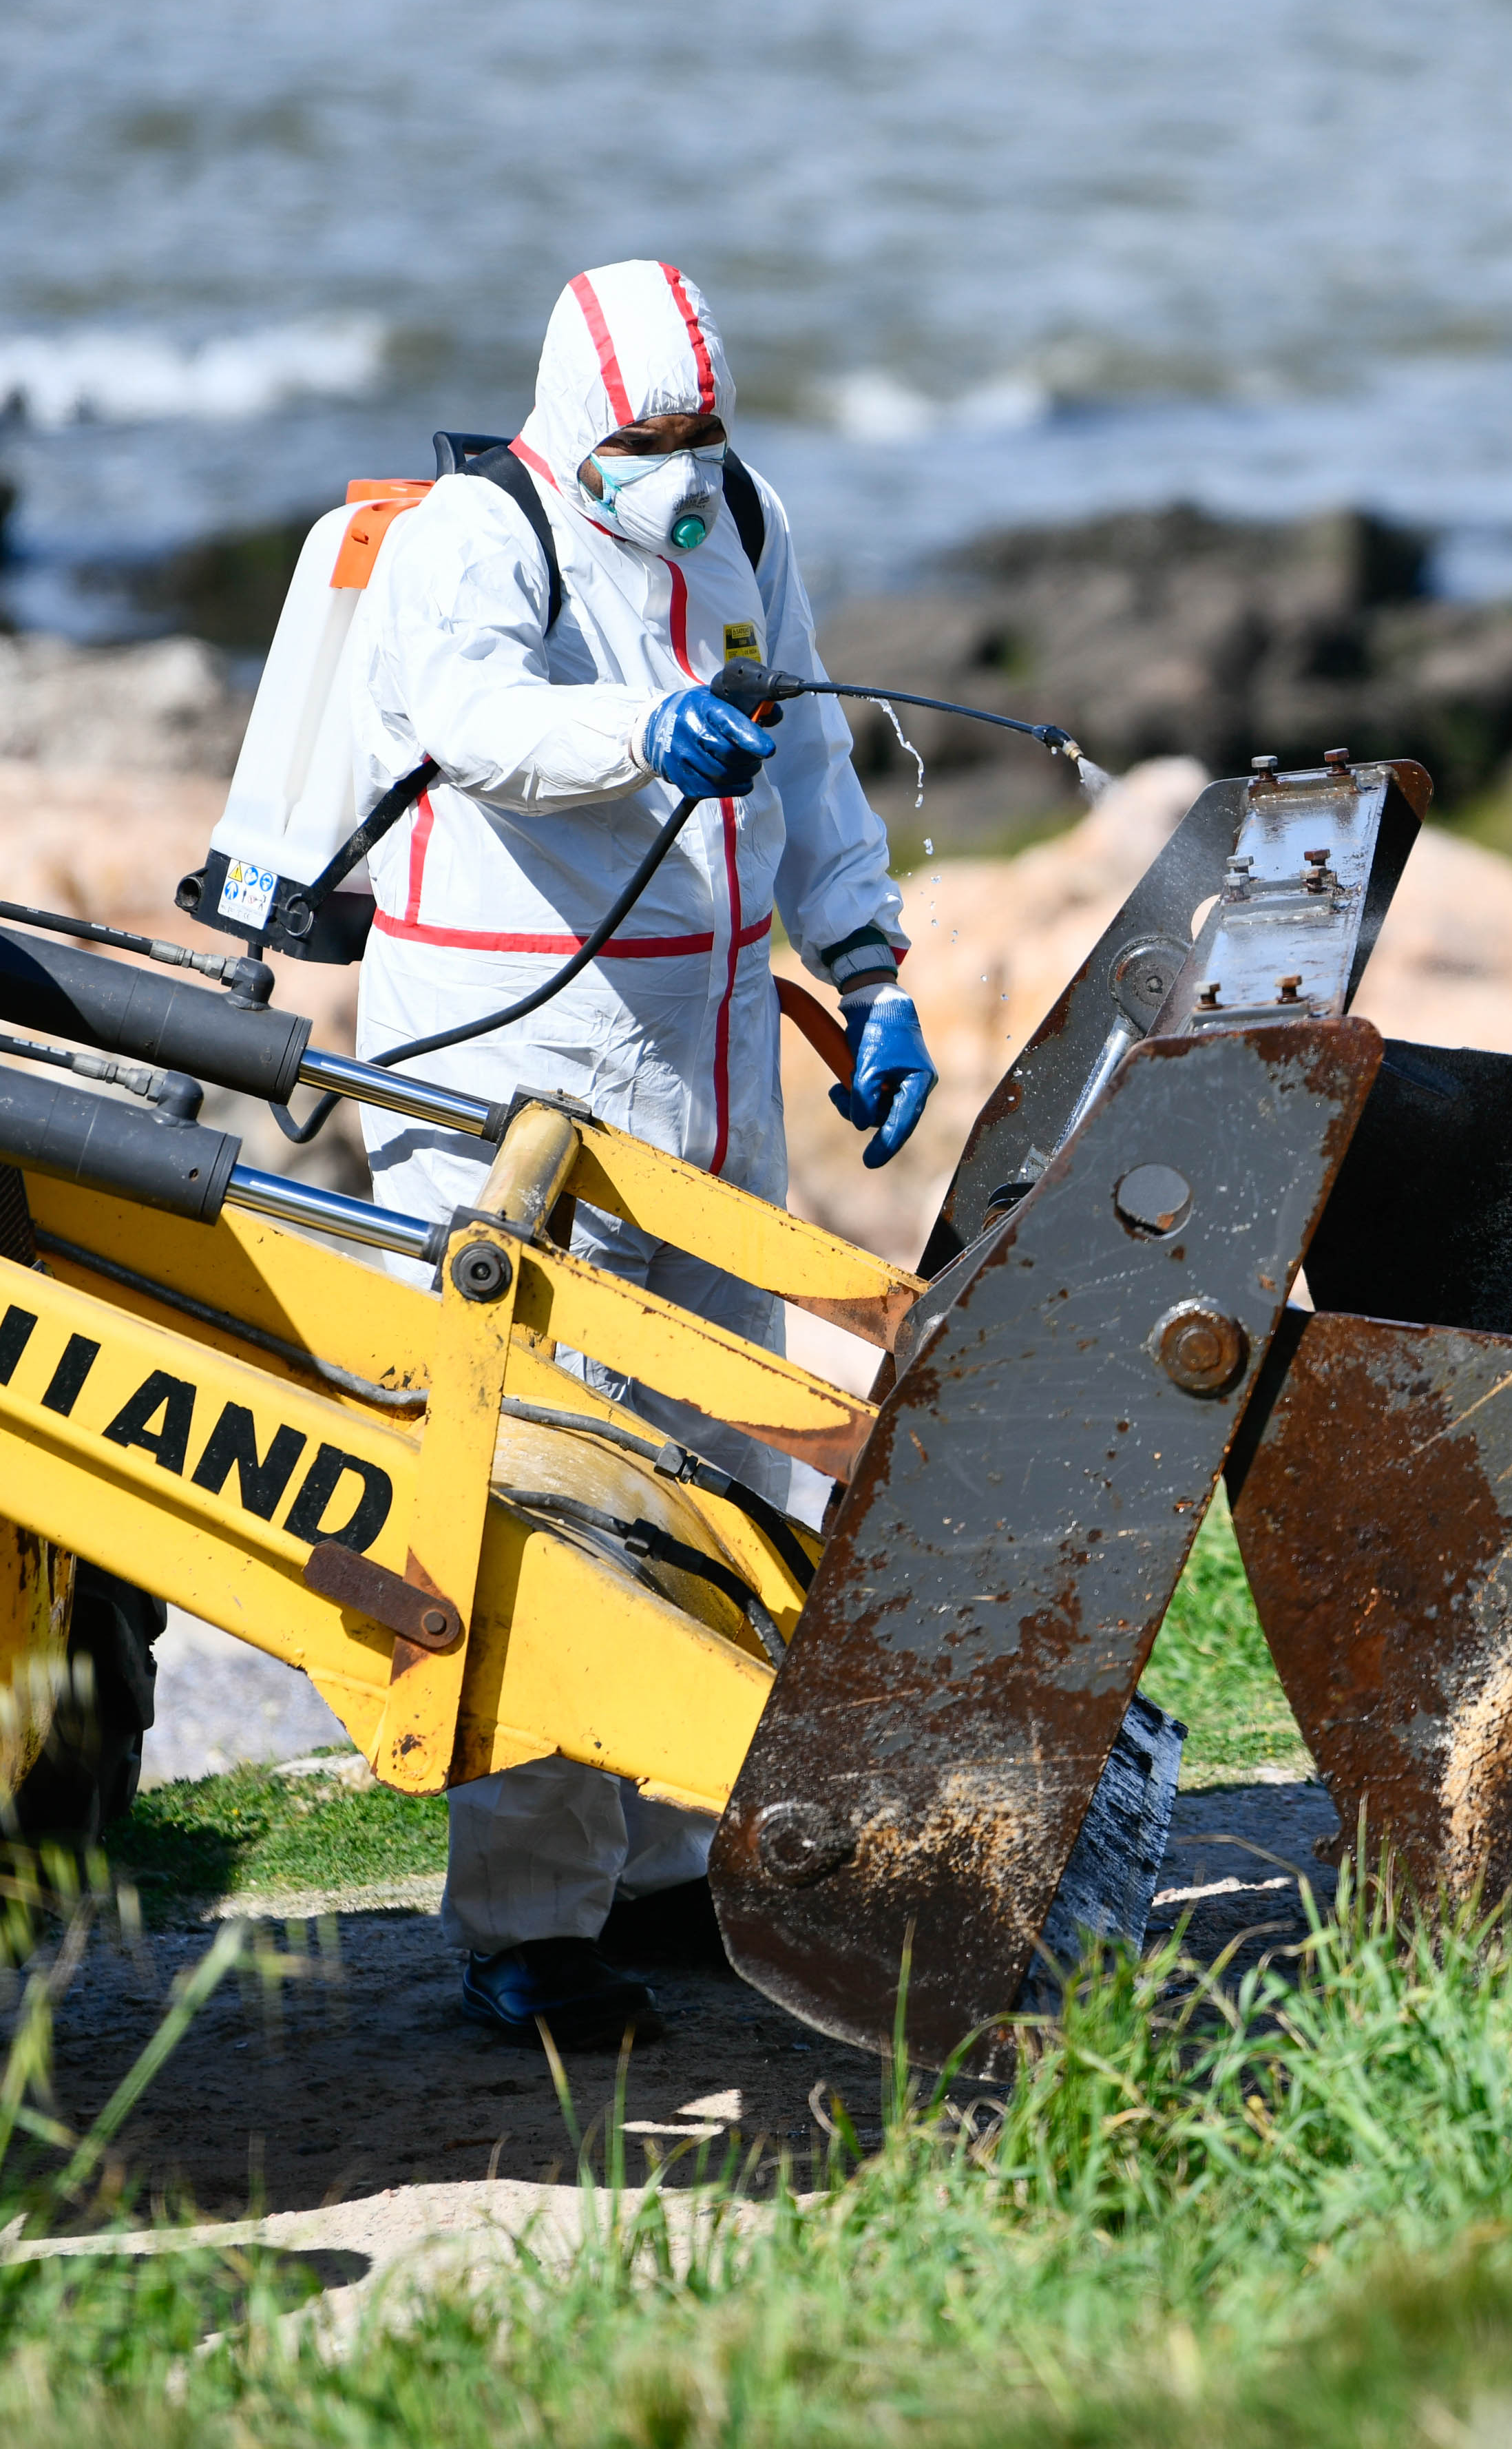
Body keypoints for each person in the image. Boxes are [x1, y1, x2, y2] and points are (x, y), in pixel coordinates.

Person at [348, 258, 934, 2048]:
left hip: (713, 1091)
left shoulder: (742, 518)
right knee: (557, 1484)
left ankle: (683, 1858)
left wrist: (871, 972)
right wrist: (640, 733)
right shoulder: (482, 533)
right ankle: (527, 1928)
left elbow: (815, 756)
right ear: (578, 426)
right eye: (648, 438)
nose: (679, 465)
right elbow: (480, 725)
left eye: (702, 431)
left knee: (723, 1463)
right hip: (520, 1093)